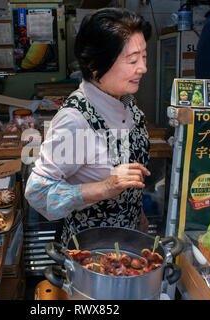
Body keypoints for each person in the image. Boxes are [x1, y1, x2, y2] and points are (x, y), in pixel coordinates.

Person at [25, 8, 152, 246]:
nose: (142, 68)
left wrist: (138, 215)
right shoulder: (75, 121)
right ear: (95, 65)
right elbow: (38, 194)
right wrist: (104, 187)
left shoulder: (128, 103)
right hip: (88, 258)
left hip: (128, 247)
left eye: (144, 57)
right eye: (133, 60)